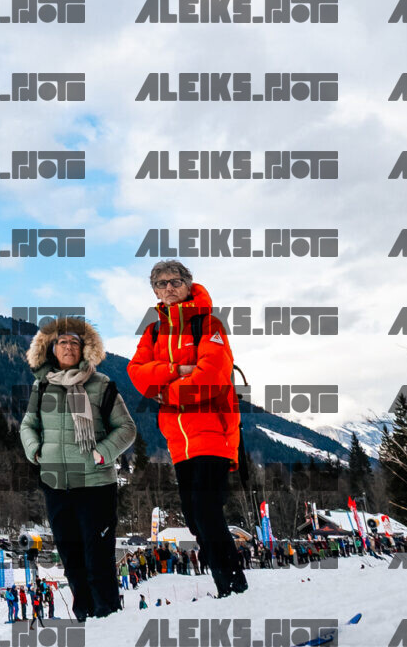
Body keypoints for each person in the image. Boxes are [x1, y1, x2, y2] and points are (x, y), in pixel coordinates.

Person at [130, 263, 248, 598]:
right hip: (179, 443)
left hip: (213, 432)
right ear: (154, 290)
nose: (168, 288)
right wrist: (178, 368)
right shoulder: (154, 331)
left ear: (187, 284)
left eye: (175, 281)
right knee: (195, 519)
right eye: (160, 283)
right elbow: (137, 374)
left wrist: (167, 391)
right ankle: (227, 586)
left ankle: (233, 587)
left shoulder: (208, 324)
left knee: (207, 512)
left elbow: (211, 377)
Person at [20, 318, 137, 622]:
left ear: (85, 349)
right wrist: (36, 450)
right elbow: (28, 424)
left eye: (75, 342)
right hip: (56, 485)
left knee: (97, 555)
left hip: (95, 484)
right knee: (71, 557)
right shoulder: (42, 386)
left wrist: (102, 453)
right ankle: (84, 615)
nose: (68, 347)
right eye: (62, 342)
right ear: (51, 349)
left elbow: (127, 428)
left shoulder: (101, 384)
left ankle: (107, 616)